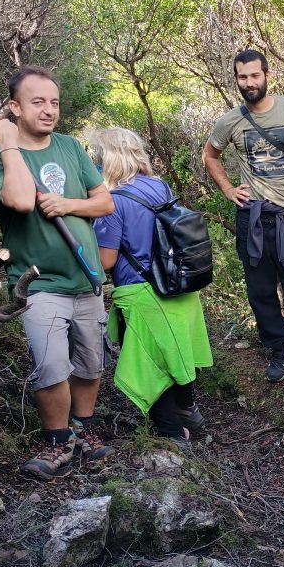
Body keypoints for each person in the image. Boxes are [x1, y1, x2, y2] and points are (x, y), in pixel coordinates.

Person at [0, 66, 116, 481]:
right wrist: (7, 144)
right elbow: (20, 200)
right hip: (39, 284)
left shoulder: (71, 147)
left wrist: (67, 205)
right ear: (14, 107)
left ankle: (84, 429)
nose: (49, 110)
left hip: (86, 278)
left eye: (54, 102)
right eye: (38, 102)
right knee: (51, 365)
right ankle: (56, 441)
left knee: (90, 364)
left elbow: (105, 203)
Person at [202, 49, 284, 386]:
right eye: (242, 77)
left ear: (266, 75)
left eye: (254, 76)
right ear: (236, 80)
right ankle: (278, 350)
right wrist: (229, 190)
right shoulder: (230, 120)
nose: (249, 83)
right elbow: (210, 155)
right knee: (260, 291)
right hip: (252, 218)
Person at [90, 128, 213, 441]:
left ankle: (173, 436)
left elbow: (105, 261)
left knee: (151, 363)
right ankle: (190, 414)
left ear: (106, 160)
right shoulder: (159, 186)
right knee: (178, 353)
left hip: (144, 292)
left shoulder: (113, 202)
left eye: (96, 158)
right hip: (178, 285)